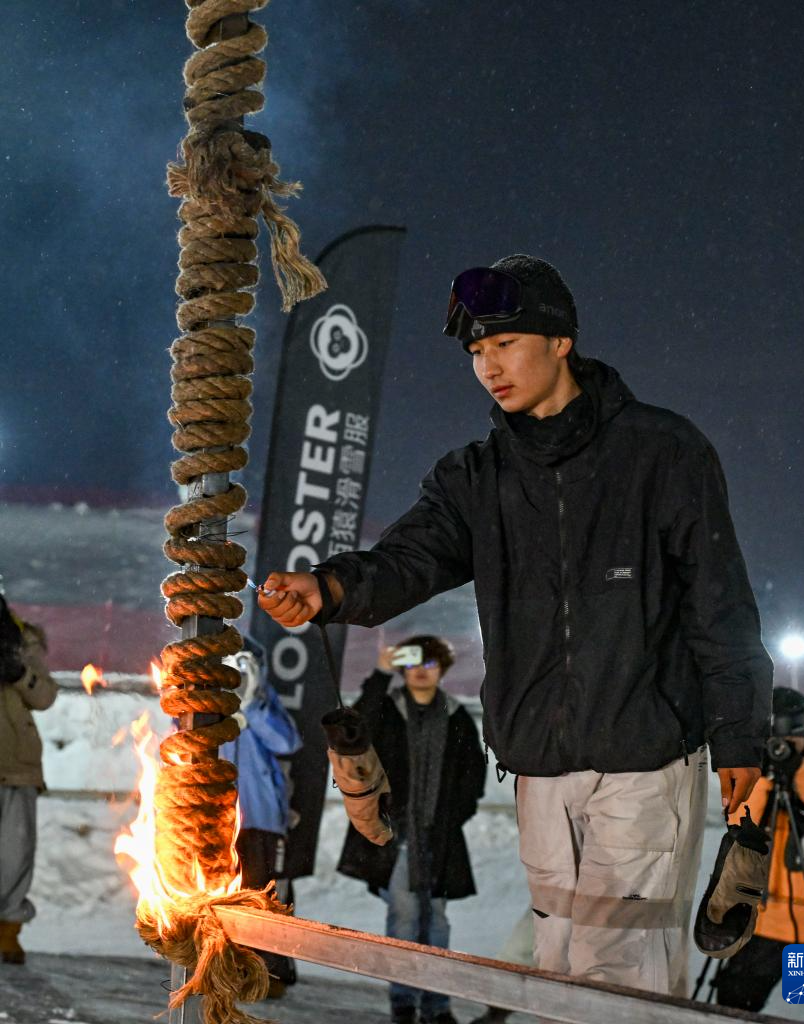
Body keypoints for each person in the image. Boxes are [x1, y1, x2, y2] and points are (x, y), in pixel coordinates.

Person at [259, 254, 773, 996]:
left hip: (645, 761)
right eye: (476, 351)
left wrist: (741, 741)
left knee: (620, 982)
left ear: (561, 340)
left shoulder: (662, 453)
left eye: (505, 343)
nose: (489, 367)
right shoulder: (476, 477)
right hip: (539, 771)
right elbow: (408, 558)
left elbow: (720, 608)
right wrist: (329, 586)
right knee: (559, 973)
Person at [336, 635, 485, 1024]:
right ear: (403, 667)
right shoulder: (386, 708)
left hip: (439, 836)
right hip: (396, 834)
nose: (421, 670)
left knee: (436, 919)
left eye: (430, 663)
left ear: (442, 669)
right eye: (414, 662)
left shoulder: (456, 715)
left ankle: (436, 1006)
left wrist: (453, 816)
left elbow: (473, 775)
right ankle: (403, 1002)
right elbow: (353, 729)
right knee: (403, 916)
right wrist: (380, 674)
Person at [716, 687, 804, 1020]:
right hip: (767, 920)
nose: (780, 748)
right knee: (730, 1009)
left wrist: (799, 770)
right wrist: (764, 775)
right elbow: (740, 821)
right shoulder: (754, 773)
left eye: (786, 741)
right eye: (773, 741)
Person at [221, 634, 303, 998]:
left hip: (262, 819)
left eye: (243, 664)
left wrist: (252, 702)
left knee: (266, 896)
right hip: (220, 819)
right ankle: (227, 969)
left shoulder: (264, 703)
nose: (236, 673)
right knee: (224, 895)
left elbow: (287, 742)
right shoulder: (208, 702)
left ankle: (270, 973)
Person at [0, 593, 58, 964]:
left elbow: (45, 696)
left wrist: (20, 674)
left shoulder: (22, 638)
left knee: (14, 856)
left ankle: (7, 932)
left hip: (17, 766)